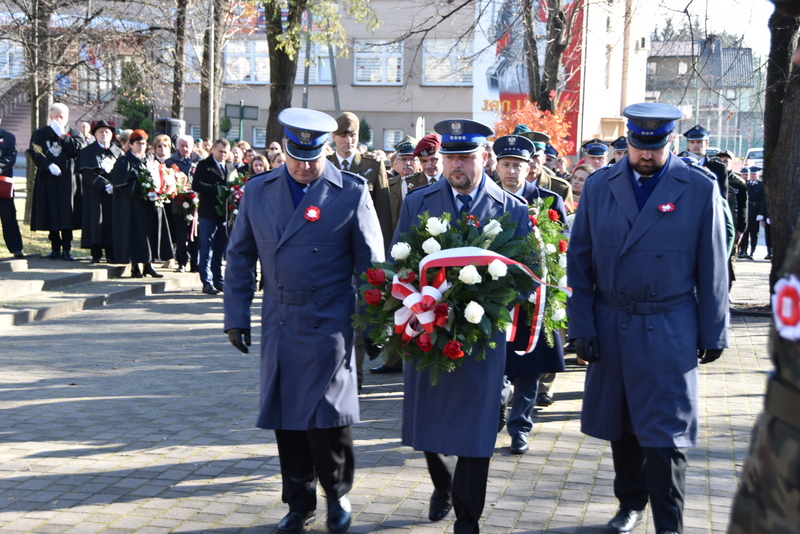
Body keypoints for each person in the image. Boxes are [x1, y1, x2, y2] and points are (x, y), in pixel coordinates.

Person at [567, 103, 729, 534]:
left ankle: (669, 523)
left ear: (669, 143)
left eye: (655, 148)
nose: (646, 156)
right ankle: (629, 502)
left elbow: (713, 264)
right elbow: (579, 261)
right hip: (613, 320)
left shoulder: (697, 186)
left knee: (667, 434)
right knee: (623, 426)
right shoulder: (601, 187)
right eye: (639, 146)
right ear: (630, 141)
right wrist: (580, 326)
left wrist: (714, 330)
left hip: (670, 324)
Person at [224, 108, 384, 534]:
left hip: (331, 318)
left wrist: (374, 323)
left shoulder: (350, 191)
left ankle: (338, 494)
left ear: (326, 151)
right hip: (280, 317)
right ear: (286, 151)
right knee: (288, 418)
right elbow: (239, 257)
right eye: (296, 156)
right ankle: (299, 501)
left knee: (328, 416)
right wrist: (235, 316)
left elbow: (372, 265)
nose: (304, 166)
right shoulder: (258, 191)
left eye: (312, 158)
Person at [392, 118, 532, 534]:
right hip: (429, 333)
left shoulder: (511, 208)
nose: (458, 166)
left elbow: (526, 279)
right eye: (451, 157)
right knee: (431, 424)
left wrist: (489, 304)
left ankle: (467, 518)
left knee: (475, 428)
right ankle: (443, 485)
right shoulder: (419, 202)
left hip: (481, 339)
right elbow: (400, 264)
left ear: (483, 158)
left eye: (467, 157)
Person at [494, 133, 568, 455]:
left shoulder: (547, 201)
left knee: (530, 366)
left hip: (535, 303)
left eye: (518, 165)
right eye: (506, 164)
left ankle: (520, 427)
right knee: (496, 365)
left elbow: (562, 249)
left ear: (530, 167)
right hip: (495, 298)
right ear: (496, 166)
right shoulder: (486, 198)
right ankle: (495, 409)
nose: (512, 171)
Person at [110, 129, 173, 277]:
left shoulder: (150, 160)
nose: (141, 146)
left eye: (144, 143)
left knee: (149, 234)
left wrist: (158, 189)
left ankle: (148, 265)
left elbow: (158, 177)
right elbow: (120, 182)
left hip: (149, 204)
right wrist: (142, 189)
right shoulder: (124, 160)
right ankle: (135, 267)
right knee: (135, 234)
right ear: (131, 144)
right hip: (132, 205)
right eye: (138, 143)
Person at [29, 103, 86, 260]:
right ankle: (54, 247)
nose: (59, 119)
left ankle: (67, 248)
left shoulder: (74, 133)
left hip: (69, 180)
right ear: (51, 117)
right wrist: (48, 165)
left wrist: (62, 136)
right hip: (49, 178)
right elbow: (35, 152)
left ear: (67, 117)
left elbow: (78, 149)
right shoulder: (41, 133)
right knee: (50, 211)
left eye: (62, 116)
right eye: (56, 116)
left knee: (67, 213)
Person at [193, 138, 233, 295]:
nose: (223, 154)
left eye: (225, 151)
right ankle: (206, 281)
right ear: (213, 150)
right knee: (206, 247)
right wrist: (216, 189)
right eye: (220, 151)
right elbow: (196, 185)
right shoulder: (204, 165)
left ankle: (218, 279)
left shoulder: (229, 166)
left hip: (224, 213)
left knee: (219, 248)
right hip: (208, 212)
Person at [79, 120, 122, 263]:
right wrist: (104, 185)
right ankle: (96, 253)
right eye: (101, 131)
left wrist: (115, 186)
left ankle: (111, 253)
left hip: (114, 195)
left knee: (112, 222)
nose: (104, 134)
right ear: (95, 134)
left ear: (112, 135)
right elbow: (86, 172)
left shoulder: (118, 152)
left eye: (107, 131)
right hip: (95, 193)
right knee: (95, 221)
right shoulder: (87, 151)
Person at [165, 134, 201, 273]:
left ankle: (195, 262)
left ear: (192, 147)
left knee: (195, 234)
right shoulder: (170, 162)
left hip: (196, 203)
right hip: (179, 202)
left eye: (187, 146)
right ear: (177, 146)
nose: (185, 149)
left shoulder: (199, 161)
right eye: (182, 146)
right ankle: (181, 262)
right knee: (181, 234)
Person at [0, 118, 22, 258]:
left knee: (8, 217)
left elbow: (11, 158)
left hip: (3, 184)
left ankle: (16, 248)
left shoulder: (8, 137)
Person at [739, 167, 764, 259]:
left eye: (754, 174)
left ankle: (752, 251)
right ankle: (743, 251)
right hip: (746, 210)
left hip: (755, 211)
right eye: (751, 174)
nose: (752, 176)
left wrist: (761, 213)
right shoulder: (745, 184)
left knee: (754, 233)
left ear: (758, 175)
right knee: (744, 232)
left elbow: (763, 200)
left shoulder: (760, 185)